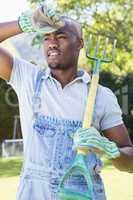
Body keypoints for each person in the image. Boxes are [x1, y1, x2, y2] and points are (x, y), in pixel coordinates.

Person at [0, 4, 133, 200]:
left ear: (80, 43)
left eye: (61, 37)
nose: (52, 43)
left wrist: (109, 149)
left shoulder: (101, 96)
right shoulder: (27, 78)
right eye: (47, 37)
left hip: (83, 194)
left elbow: (129, 161)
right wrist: (24, 23)